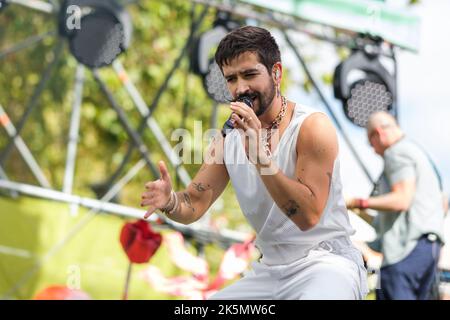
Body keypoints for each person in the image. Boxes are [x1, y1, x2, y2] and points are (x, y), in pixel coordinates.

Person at [141, 26, 368, 299]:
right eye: (231, 79)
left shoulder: (312, 126)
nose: (241, 88)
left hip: (325, 264)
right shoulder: (227, 139)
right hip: (270, 271)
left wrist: (260, 157)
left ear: (276, 73)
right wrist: (169, 201)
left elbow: (307, 217)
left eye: (249, 74)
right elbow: (194, 203)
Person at [346, 111, 446, 300]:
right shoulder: (420, 154)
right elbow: (442, 204)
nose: (374, 150)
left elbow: (402, 199)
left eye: (371, 143)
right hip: (429, 251)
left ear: (378, 133)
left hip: (406, 251)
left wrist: (356, 202)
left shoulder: (396, 152)